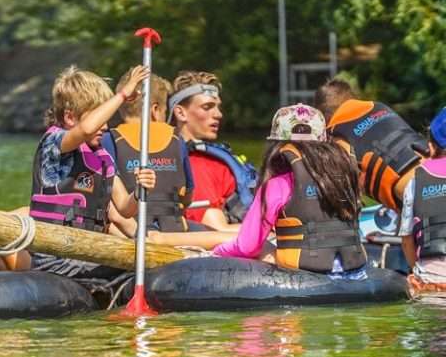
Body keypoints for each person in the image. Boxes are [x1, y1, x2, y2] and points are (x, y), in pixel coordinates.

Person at [25, 65, 156, 278]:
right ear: (70, 118)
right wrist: (122, 95)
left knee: (144, 262)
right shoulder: (55, 144)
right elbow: (85, 129)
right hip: (55, 257)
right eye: (99, 117)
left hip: (89, 253)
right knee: (136, 268)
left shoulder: (101, 156)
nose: (105, 126)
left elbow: (125, 208)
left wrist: (141, 189)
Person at [213, 103, 367, 278]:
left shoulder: (277, 185)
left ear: (277, 146)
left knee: (262, 246)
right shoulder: (346, 178)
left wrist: (215, 253)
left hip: (306, 277)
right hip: (355, 272)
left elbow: (247, 246)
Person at [102, 71, 195, 234]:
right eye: (165, 111)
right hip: (175, 232)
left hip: (131, 232)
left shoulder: (109, 140)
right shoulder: (177, 139)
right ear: (155, 110)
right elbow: (187, 196)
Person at [315, 78, 429, 212]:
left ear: (322, 117)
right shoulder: (380, 107)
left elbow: (341, 198)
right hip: (438, 172)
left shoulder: (339, 138)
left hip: (421, 196)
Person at [169, 71, 257, 230]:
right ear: (181, 112)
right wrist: (271, 229)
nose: (218, 114)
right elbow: (216, 229)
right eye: (207, 107)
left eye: (218, 107)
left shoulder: (209, 157)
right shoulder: (194, 164)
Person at [398, 107, 446, 292]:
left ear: (431, 146)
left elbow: (406, 239)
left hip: (430, 282)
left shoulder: (416, 180)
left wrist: (414, 270)